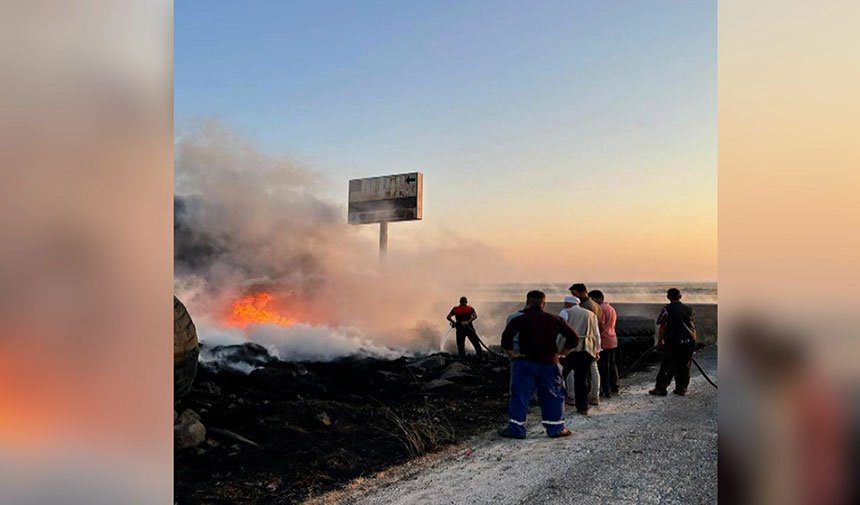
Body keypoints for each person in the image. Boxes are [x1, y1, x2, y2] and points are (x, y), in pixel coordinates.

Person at [500, 290, 579, 439]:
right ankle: (555, 428)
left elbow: (506, 338)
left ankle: (516, 428)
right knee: (553, 395)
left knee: (520, 395)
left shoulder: (519, 319)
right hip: (549, 363)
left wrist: (512, 353)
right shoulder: (555, 319)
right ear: (543, 303)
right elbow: (574, 338)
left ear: (527, 302)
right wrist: (564, 353)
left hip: (525, 362)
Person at [649, 288, 697, 396]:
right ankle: (681, 388)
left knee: (668, 364)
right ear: (680, 297)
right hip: (690, 341)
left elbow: (662, 327)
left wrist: (660, 342)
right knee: (684, 365)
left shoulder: (667, 309)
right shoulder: (689, 309)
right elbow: (691, 324)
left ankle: (660, 388)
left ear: (668, 297)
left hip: (675, 342)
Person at [559, 295, 601, 414]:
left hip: (569, 350)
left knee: (560, 376)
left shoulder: (565, 312)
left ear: (567, 304)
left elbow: (560, 332)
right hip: (587, 350)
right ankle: (582, 407)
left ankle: (560, 403)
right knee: (582, 380)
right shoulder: (591, 315)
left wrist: (558, 349)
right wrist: (597, 349)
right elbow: (596, 334)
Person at [569, 283, 602, 404]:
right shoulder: (596, 305)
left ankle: (574, 396)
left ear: (582, 292)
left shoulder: (586, 307)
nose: (574, 297)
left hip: (584, 342)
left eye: (575, 294)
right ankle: (594, 396)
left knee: (578, 370)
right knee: (593, 368)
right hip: (592, 340)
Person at [590, 289, 619, 397]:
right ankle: (614, 387)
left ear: (599, 299)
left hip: (604, 340)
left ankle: (605, 389)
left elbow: (601, 326)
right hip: (612, 338)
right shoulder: (611, 308)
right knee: (612, 364)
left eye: (593, 299)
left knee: (603, 366)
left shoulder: (600, 309)